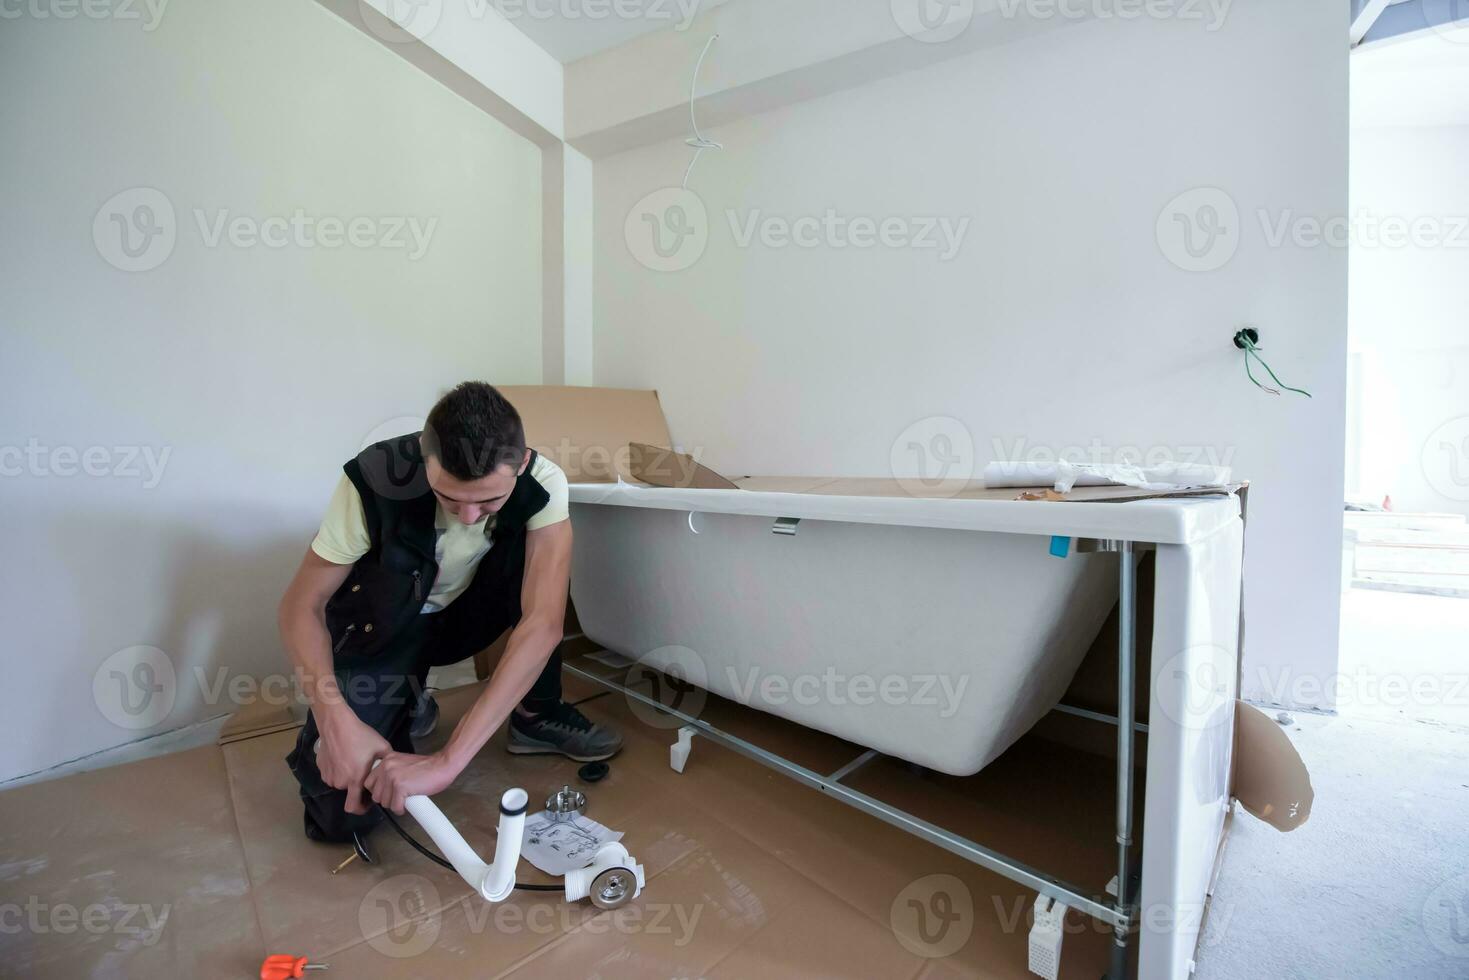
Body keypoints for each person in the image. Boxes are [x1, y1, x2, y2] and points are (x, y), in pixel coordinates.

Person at [279, 382, 621, 844]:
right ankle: (407, 696)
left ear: (521, 464)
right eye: (450, 498)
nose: (467, 516)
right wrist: (334, 721)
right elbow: (302, 606)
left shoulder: (543, 483)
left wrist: (448, 761)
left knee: (546, 567)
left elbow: (543, 622)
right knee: (342, 812)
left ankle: (535, 714)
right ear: (425, 458)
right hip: (385, 628)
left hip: (465, 619)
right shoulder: (373, 478)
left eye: (488, 501)